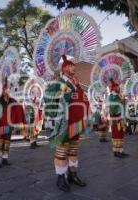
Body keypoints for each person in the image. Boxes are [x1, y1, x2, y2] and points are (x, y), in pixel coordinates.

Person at [44, 55, 90, 192]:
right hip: (64, 122)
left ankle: (72, 174)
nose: (74, 68)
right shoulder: (58, 82)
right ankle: (60, 177)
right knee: (62, 149)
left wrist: (87, 115)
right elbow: (48, 97)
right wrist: (62, 91)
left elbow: (84, 99)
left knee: (74, 149)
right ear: (64, 69)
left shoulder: (76, 82)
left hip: (77, 122)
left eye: (74, 66)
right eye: (71, 66)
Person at [0, 78, 26, 168]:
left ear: (9, 90)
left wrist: (20, 121)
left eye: (7, 88)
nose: (5, 90)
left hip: (8, 126)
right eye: (4, 89)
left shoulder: (12, 101)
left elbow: (18, 108)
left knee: (7, 142)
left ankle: (4, 158)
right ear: (2, 90)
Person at [108, 79, 128, 158]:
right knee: (116, 134)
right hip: (116, 120)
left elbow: (122, 105)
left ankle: (121, 150)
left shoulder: (117, 95)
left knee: (120, 134)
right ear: (114, 88)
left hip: (120, 118)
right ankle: (116, 152)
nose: (119, 88)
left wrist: (123, 101)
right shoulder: (112, 96)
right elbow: (112, 107)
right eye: (118, 87)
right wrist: (121, 101)